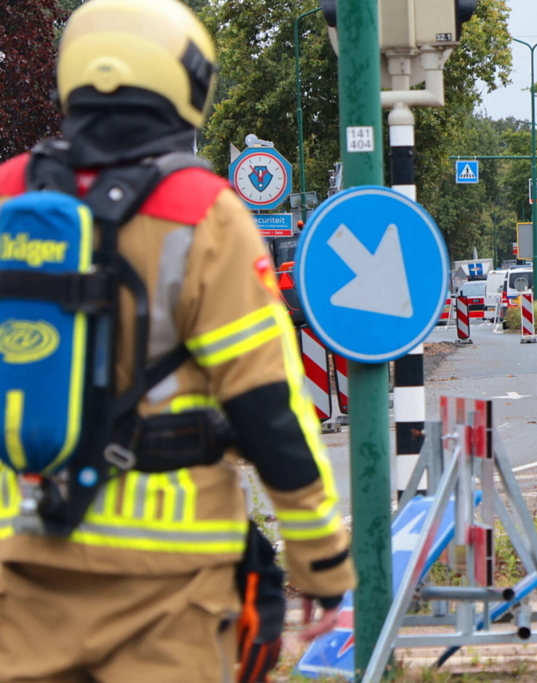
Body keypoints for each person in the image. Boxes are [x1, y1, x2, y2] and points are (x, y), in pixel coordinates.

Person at [0, 1, 355, 681]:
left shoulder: (8, 196)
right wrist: (322, 562)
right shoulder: (204, 214)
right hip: (165, 586)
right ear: (186, 84)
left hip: (22, 564)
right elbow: (267, 406)